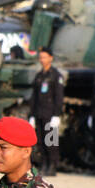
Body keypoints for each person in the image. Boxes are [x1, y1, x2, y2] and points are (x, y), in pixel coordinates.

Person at [28, 47, 64, 176]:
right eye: (40, 57)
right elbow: (34, 97)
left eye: (44, 57)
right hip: (39, 112)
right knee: (41, 140)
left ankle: (53, 165)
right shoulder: (39, 76)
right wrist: (31, 115)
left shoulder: (56, 75)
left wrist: (57, 114)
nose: (42, 59)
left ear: (50, 58)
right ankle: (44, 164)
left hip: (50, 113)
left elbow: (59, 96)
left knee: (51, 140)